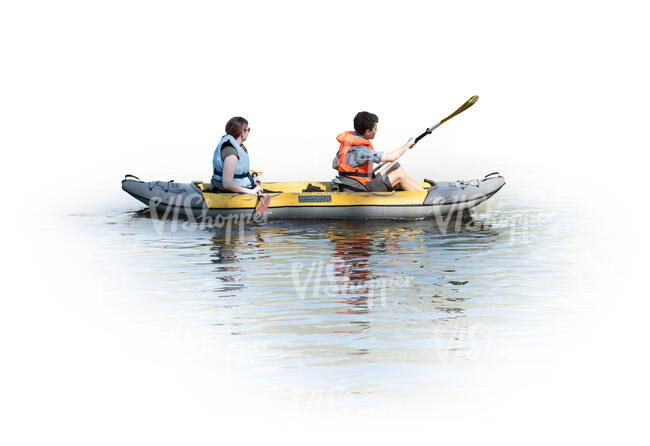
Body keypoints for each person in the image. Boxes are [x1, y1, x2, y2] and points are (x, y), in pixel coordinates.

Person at [333, 111, 424, 192]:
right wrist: (408, 144)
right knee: (398, 173)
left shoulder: (348, 142)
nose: (376, 130)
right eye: (375, 128)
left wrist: (357, 174)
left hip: (349, 184)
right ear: (367, 131)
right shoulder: (361, 150)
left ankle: (417, 190)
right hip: (360, 189)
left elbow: (335, 165)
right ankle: (425, 197)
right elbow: (392, 157)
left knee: (394, 166)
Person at [212, 117, 263, 195]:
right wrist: (252, 191)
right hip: (226, 191)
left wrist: (252, 180)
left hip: (228, 188)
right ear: (242, 132)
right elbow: (227, 184)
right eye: (248, 129)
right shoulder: (231, 153)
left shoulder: (231, 145)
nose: (249, 132)